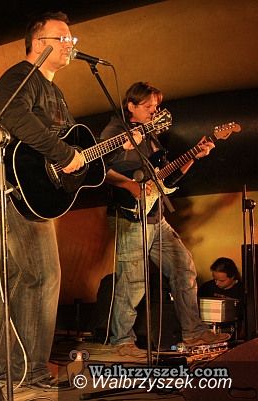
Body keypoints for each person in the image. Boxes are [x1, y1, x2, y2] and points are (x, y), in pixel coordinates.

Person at [0, 11, 86, 390]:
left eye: (71, 39)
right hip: (12, 191)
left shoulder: (56, 93)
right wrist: (63, 155)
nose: (69, 44)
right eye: (61, 38)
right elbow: (11, 116)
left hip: (35, 195)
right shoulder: (20, 77)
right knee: (42, 276)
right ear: (38, 44)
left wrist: (78, 162)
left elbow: (69, 144)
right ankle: (31, 370)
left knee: (16, 280)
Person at [100, 81, 230, 358]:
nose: (153, 111)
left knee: (184, 268)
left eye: (156, 106)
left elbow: (166, 177)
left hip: (156, 216)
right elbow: (100, 170)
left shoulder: (152, 136)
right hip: (130, 216)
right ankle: (120, 342)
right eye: (148, 106)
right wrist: (129, 184)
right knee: (133, 282)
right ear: (131, 106)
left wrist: (195, 155)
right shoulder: (114, 131)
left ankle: (193, 332)